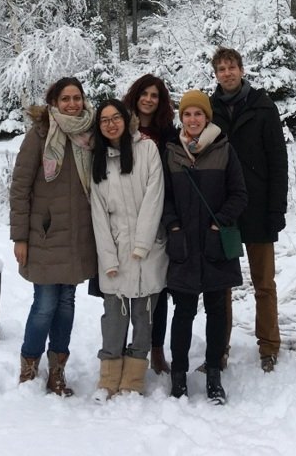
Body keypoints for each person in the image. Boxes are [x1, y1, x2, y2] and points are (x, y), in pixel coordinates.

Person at [9, 76, 97, 395]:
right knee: (45, 304)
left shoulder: (91, 134)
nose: (72, 104)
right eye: (66, 99)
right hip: (45, 235)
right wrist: (20, 237)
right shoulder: (40, 135)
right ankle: (29, 365)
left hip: (78, 237)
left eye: (77, 98)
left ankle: (57, 370)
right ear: (54, 102)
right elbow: (20, 189)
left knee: (67, 304)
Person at [163, 89, 247, 404]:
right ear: (181, 118)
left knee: (216, 312)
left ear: (206, 117)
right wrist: (172, 225)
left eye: (198, 113)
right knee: (182, 312)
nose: (193, 119)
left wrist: (219, 222)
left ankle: (214, 374)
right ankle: (179, 376)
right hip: (183, 244)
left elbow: (240, 193)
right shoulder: (171, 151)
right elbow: (164, 196)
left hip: (214, 244)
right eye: (187, 114)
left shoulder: (224, 149)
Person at [209, 46, 288, 373]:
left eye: (231, 67)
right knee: (221, 285)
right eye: (220, 69)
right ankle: (219, 349)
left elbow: (278, 162)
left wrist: (276, 210)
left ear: (242, 70)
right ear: (215, 74)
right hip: (225, 211)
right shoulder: (208, 110)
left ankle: (269, 346)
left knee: (264, 283)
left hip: (257, 209)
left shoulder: (262, 107)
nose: (226, 73)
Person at [90, 98, 168, 399]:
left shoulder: (146, 149)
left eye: (115, 117)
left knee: (143, 317)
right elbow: (97, 213)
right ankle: (108, 380)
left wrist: (142, 243)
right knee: (113, 317)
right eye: (104, 120)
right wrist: (108, 256)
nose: (111, 124)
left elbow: (154, 196)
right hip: (116, 251)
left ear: (126, 119)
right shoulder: (98, 160)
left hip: (148, 250)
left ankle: (133, 381)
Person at [123, 73, 178, 375]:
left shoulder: (167, 133)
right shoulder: (119, 127)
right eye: (144, 93)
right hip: (124, 217)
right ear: (135, 95)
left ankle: (156, 349)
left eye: (154, 95)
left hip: (159, 216)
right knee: (122, 285)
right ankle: (122, 348)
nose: (148, 99)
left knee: (159, 286)